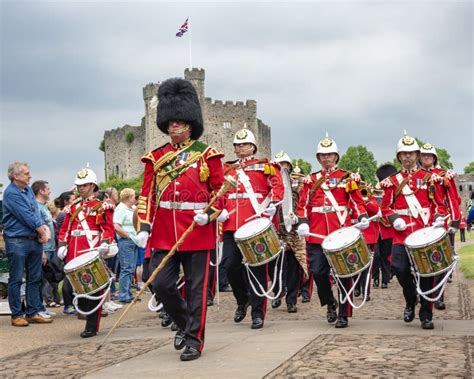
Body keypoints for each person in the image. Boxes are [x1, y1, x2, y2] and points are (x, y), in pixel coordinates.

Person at [135, 78, 225, 361]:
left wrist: (208, 214)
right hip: (163, 231)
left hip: (197, 230)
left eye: (179, 121)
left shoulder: (207, 156)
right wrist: (144, 226)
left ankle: (194, 341)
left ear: (190, 123)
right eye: (170, 121)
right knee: (159, 282)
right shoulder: (156, 157)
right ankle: (187, 325)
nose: (173, 126)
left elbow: (220, 193)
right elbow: (146, 194)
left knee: (197, 290)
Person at [296, 134, 369, 328]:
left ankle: (344, 314)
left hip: (340, 233)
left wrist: (361, 217)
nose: (326, 158)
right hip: (317, 234)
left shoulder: (347, 178)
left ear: (336, 157)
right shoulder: (311, 180)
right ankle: (330, 303)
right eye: (323, 155)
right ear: (319, 158)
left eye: (330, 155)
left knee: (344, 274)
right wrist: (303, 221)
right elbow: (303, 204)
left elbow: (357, 202)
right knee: (318, 273)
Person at [381, 132, 449, 329]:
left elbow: (439, 204)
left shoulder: (429, 179)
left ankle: (426, 314)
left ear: (417, 155)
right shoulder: (392, 182)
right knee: (400, 269)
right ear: (399, 157)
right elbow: (385, 207)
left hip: (424, 233)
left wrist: (437, 218)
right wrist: (394, 219)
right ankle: (411, 300)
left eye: (411, 153)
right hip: (401, 235)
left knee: (427, 274)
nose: (408, 157)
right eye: (404, 153)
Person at [219, 127, 284, 330]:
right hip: (231, 225)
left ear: (253, 147)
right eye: (237, 145)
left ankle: (258, 313)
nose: (241, 148)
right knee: (229, 266)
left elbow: (278, 187)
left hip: (255, 223)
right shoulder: (226, 169)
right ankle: (242, 299)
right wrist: (219, 210)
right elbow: (220, 192)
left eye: (245, 144)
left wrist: (273, 204)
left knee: (257, 270)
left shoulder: (265, 166)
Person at [57, 165, 116, 338]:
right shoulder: (73, 208)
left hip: (91, 251)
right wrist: (62, 244)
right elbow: (65, 229)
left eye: (84, 185)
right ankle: (85, 314)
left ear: (92, 186)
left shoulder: (101, 206)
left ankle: (92, 325)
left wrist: (105, 243)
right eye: (79, 185)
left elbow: (107, 228)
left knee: (93, 289)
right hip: (74, 253)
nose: (80, 188)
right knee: (75, 290)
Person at [2, 162, 52, 326]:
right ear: (15, 176)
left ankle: (32, 311)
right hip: (17, 240)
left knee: (35, 278)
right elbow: (25, 215)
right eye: (26, 173)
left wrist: (41, 228)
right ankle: (17, 314)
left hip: (32, 240)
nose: (29, 176)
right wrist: (42, 231)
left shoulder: (28, 190)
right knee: (16, 278)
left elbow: (34, 211)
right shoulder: (11, 193)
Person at [419, 143, 461, 310]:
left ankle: (439, 296)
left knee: (439, 262)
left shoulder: (444, 175)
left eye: (430, 155)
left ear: (434, 157)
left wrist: (455, 221)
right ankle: (422, 294)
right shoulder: (414, 176)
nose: (427, 157)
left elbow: (453, 199)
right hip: (420, 223)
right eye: (424, 155)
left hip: (440, 222)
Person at [272, 152, 308, 313]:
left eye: (284, 165)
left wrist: (298, 218)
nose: (282, 168)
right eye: (279, 165)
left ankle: (291, 300)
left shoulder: (298, 185)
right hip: (276, 230)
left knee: (293, 267)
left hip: (293, 231)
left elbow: (305, 203)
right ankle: (278, 292)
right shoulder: (270, 184)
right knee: (276, 265)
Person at [32, 180, 60, 309]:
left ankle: (46, 304)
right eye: (47, 189)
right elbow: (40, 229)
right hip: (44, 248)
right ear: (41, 191)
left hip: (51, 248)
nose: (49, 191)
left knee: (50, 276)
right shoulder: (36, 207)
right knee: (42, 278)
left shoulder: (44, 207)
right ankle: (42, 306)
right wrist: (42, 250)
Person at [373, 164, 398, 289]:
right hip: (374, 230)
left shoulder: (394, 190)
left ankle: (385, 279)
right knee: (376, 256)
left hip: (387, 229)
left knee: (386, 256)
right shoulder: (374, 190)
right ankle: (375, 278)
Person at [113, 188, 139, 303]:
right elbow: (116, 225)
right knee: (126, 268)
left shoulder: (131, 209)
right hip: (126, 241)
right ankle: (124, 294)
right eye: (134, 197)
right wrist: (127, 236)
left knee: (131, 268)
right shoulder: (121, 209)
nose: (135, 199)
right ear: (129, 197)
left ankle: (128, 293)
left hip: (133, 240)